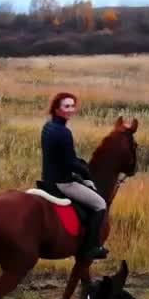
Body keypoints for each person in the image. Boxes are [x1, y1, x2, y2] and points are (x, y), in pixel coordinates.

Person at [41, 92, 108, 260]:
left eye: (72, 106)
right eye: (66, 106)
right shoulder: (63, 132)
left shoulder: (48, 126)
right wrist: (86, 175)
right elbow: (70, 162)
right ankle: (91, 248)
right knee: (100, 204)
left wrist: (81, 164)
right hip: (63, 182)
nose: (71, 110)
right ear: (57, 109)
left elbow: (63, 157)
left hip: (47, 178)